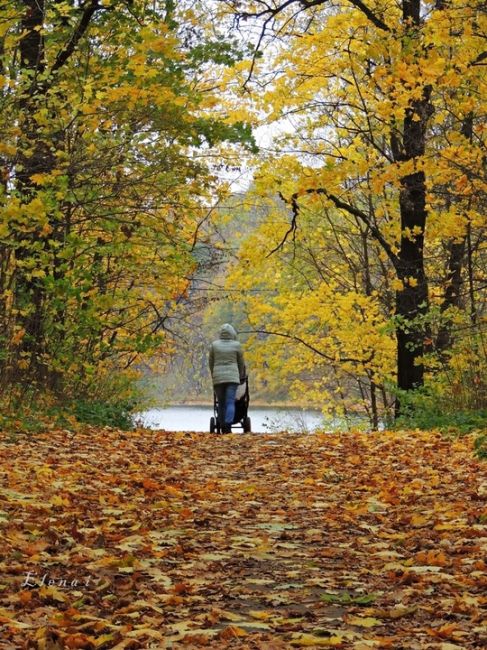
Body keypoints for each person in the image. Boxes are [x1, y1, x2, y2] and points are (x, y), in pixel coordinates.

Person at [209, 323, 245, 433]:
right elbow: (241, 363)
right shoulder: (237, 345)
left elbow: (211, 362)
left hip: (218, 378)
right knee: (230, 402)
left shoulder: (214, 345)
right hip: (232, 378)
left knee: (221, 402)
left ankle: (221, 424)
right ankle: (228, 427)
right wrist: (239, 375)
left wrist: (213, 374)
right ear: (232, 333)